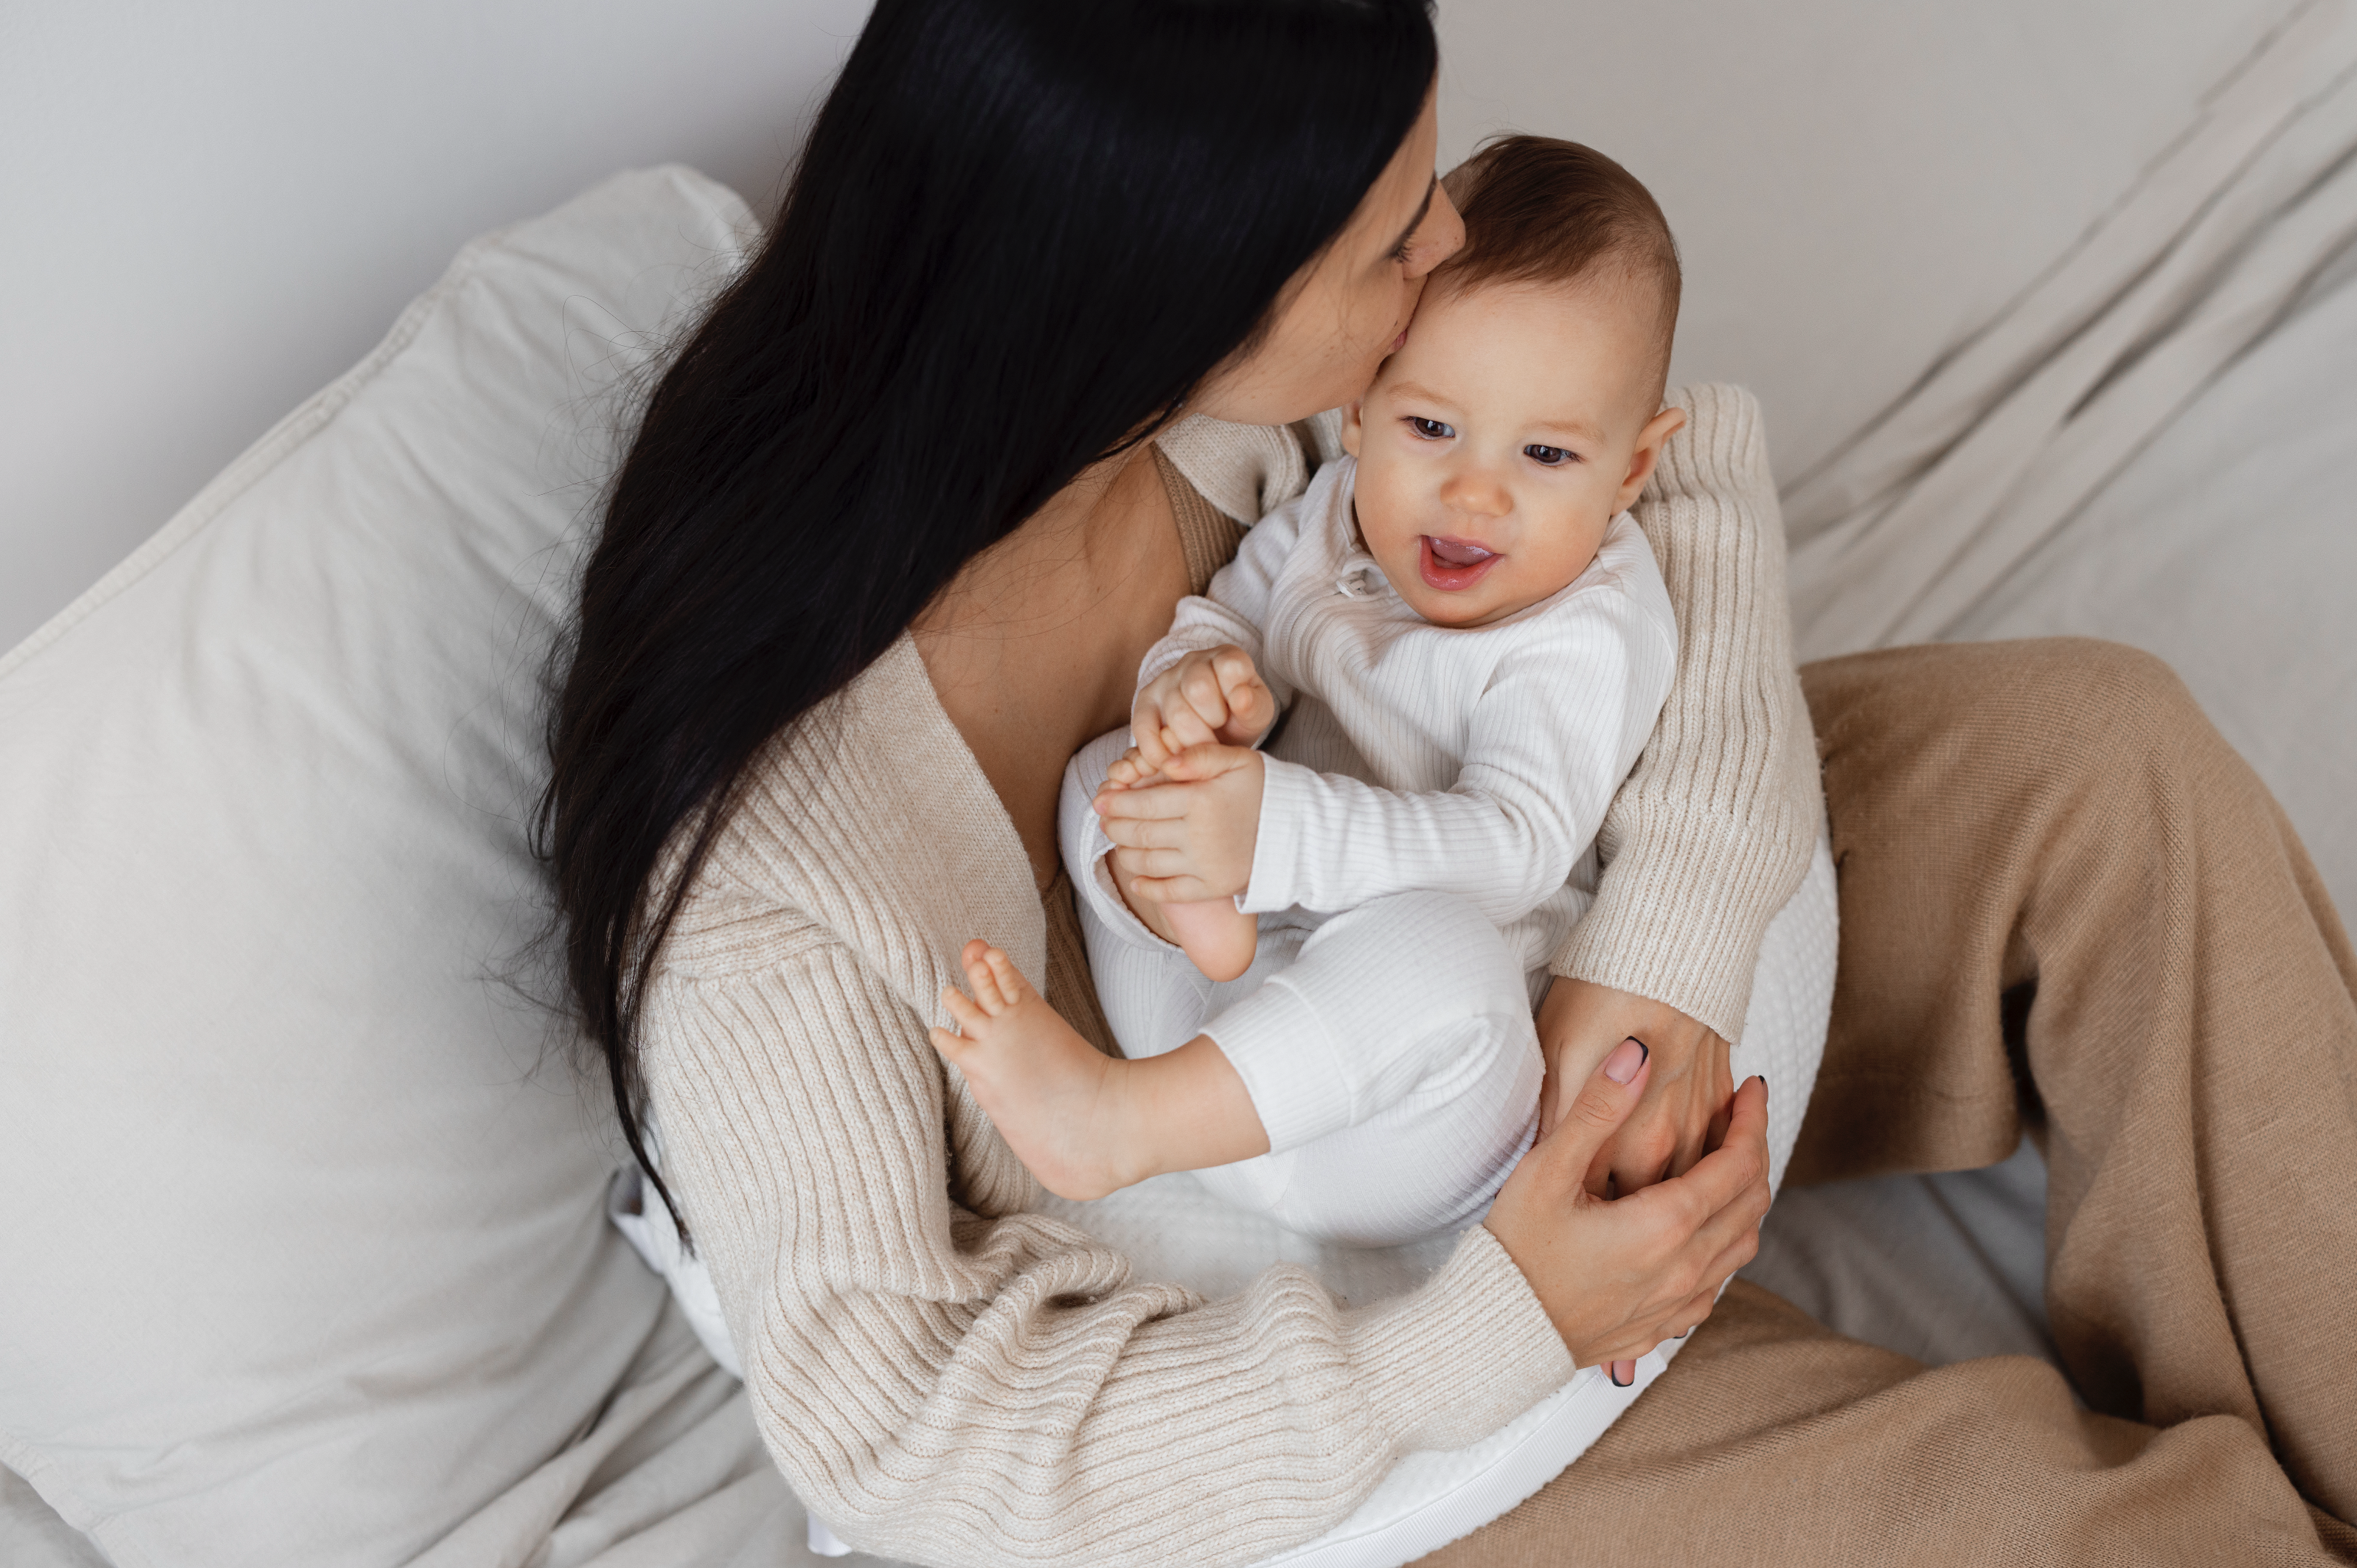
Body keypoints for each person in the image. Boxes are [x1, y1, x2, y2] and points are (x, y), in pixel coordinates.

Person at [540, 0, 2357, 1562]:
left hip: (1526, 938)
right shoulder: (779, 874)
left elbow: (1661, 495)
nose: (1445, 256)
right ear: (1176, 296)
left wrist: (1660, 960)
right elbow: (902, 1428)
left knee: (2101, 767)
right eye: (1399, 238)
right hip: (1350, 1319)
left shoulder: (1213, 410)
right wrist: (1494, 1327)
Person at [932, 136, 1695, 1256]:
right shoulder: (1332, 513)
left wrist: (1271, 830)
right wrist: (1197, 692)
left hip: (1400, 1112)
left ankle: (1117, 1123)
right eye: (1430, 427)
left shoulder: (1591, 622)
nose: (1473, 491)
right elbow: (1224, 619)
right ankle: (1187, 951)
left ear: (1632, 469)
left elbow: (1517, 848)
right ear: (1360, 406)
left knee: (1452, 960)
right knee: (1112, 772)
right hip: (1219, 1014)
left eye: (1545, 454)